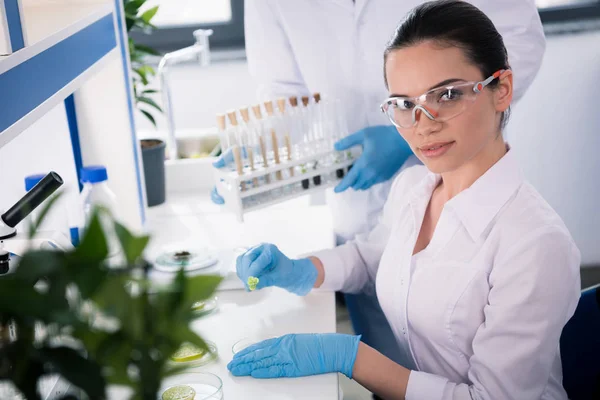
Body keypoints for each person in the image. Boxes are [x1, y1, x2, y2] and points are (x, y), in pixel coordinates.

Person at [227, 1, 581, 399]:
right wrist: (299, 269)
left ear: (502, 89)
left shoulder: (534, 245)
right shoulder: (413, 187)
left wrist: (352, 358)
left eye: (447, 94)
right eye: (404, 104)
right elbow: (371, 258)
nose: (423, 124)